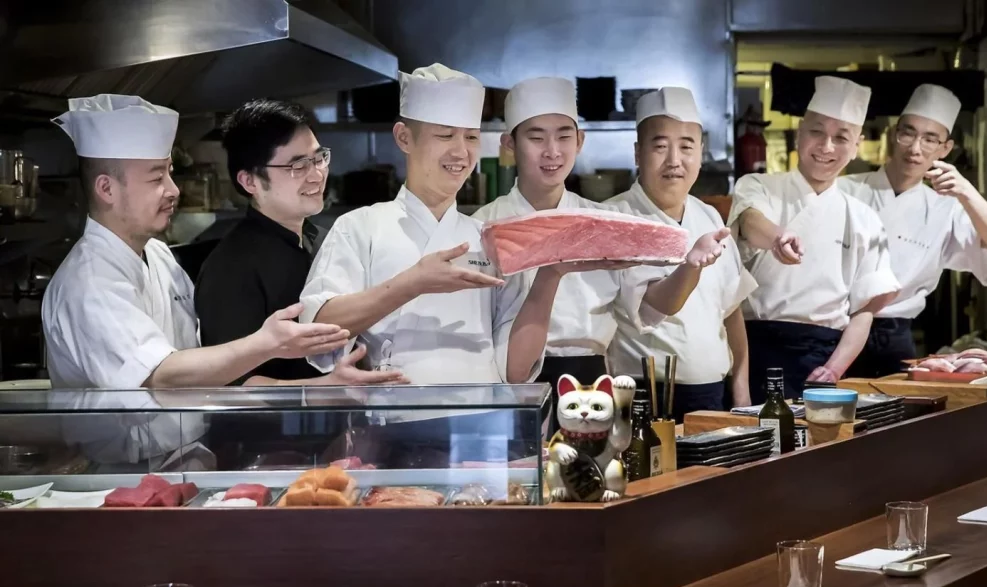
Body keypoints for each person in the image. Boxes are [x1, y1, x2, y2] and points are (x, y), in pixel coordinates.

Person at [299, 64, 729, 387]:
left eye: (469, 137)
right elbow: (315, 333)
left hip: (495, 420)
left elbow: (514, 370)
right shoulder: (364, 227)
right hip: (387, 420)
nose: (460, 151)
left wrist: (553, 270)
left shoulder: (483, 238)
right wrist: (415, 281)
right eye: (444, 135)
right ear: (404, 138)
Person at [473, 77, 736, 426]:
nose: (552, 151)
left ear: (580, 141)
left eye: (564, 136)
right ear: (509, 144)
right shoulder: (483, 228)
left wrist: (690, 265)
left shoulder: (603, 223)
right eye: (536, 138)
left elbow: (654, 304)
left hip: (592, 383)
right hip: (510, 388)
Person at [42, 94, 350, 390]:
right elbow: (160, 375)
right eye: (155, 179)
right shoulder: (90, 280)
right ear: (107, 189)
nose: (174, 190)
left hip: (185, 444)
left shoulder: (158, 255)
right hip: (116, 446)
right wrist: (265, 344)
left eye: (170, 174)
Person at [195, 98, 407, 387]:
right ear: (250, 182)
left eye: (319, 158)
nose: (317, 174)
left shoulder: (325, 239)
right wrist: (326, 388)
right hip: (265, 432)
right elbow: (233, 386)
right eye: (297, 166)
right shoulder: (230, 267)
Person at [727, 77, 902, 403]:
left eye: (841, 138)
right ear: (799, 134)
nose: (826, 147)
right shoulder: (759, 185)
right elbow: (750, 221)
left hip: (821, 358)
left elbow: (864, 310)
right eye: (816, 132)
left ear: (856, 147)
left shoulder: (865, 218)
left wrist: (834, 369)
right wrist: (779, 237)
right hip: (752, 351)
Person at [604, 87, 758, 416]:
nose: (674, 161)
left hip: (714, 395)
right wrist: (691, 266)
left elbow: (731, 311)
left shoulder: (710, 216)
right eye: (660, 146)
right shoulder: (612, 219)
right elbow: (658, 302)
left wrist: (741, 391)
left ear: (701, 152)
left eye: (686, 146)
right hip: (643, 397)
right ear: (637, 153)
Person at [839, 84, 987, 377]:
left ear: (945, 149)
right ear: (894, 133)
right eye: (908, 133)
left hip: (894, 337)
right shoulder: (845, 190)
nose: (915, 148)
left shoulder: (946, 207)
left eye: (930, 139)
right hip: (836, 330)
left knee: (898, 422)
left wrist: (967, 192)